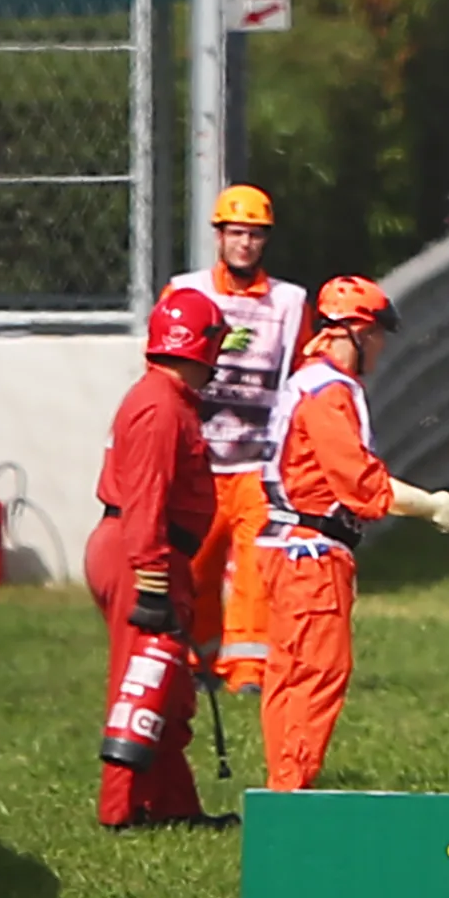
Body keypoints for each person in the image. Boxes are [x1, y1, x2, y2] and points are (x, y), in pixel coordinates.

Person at [254, 276, 449, 791]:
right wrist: (430, 505)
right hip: (311, 553)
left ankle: (284, 784)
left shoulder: (305, 381)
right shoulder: (329, 394)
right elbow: (359, 483)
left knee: (288, 673)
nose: (381, 346)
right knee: (318, 672)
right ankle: (292, 789)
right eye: (377, 335)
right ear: (357, 332)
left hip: (286, 546)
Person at [87, 288, 230, 829]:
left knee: (168, 693)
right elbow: (146, 497)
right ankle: (120, 811)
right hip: (142, 553)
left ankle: (172, 806)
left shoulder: (166, 400)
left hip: (151, 551)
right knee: (141, 684)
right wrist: (151, 578)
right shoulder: (161, 408)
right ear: (203, 345)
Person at [162, 183, 309, 696]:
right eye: (237, 233)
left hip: (258, 463)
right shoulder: (186, 291)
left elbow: (300, 373)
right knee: (195, 566)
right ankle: (197, 660)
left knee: (255, 570)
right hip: (201, 458)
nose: (245, 244)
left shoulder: (289, 301)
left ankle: (248, 671)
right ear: (219, 236)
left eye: (255, 235)